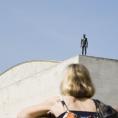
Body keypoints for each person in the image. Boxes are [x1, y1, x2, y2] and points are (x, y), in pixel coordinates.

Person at [17, 64, 118, 118]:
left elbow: (23, 115)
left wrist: (54, 109)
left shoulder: (58, 102)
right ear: (87, 81)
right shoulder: (98, 106)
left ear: (65, 81)